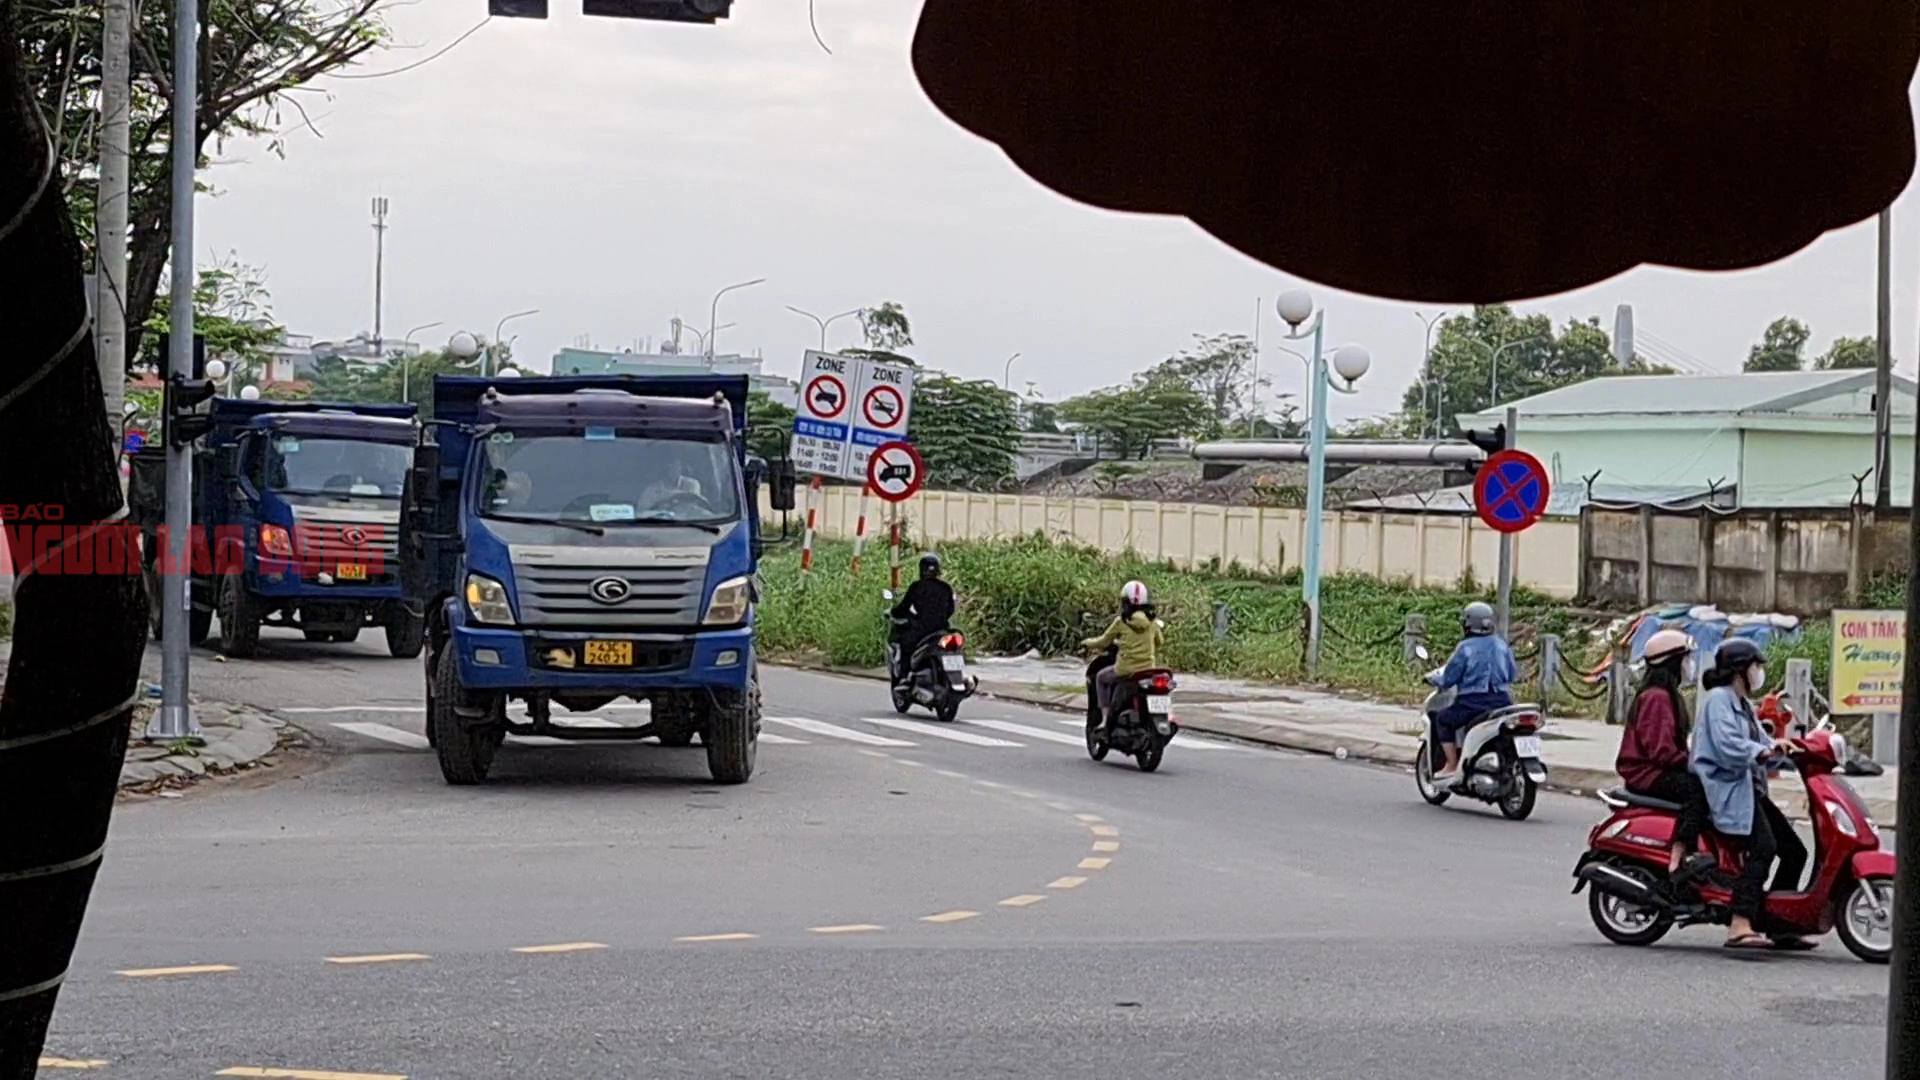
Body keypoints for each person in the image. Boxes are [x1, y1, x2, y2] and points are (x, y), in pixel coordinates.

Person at [1692, 637, 1811, 951]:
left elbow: (1762, 739)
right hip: (1728, 789)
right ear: (1739, 670)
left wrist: (1791, 748)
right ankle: (1740, 923)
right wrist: (1765, 750)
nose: (1759, 673)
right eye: (1756, 666)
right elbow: (1729, 746)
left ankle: (1777, 925)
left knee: (1795, 850)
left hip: (1749, 789)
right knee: (1764, 847)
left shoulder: (1742, 704)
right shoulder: (1719, 700)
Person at [1614, 628, 1713, 881]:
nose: (1689, 665)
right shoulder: (1657, 698)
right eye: (1686, 659)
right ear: (1672, 662)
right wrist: (1694, 762)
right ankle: (1680, 852)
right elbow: (1662, 751)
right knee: (1696, 789)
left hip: (1657, 769)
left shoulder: (1667, 696)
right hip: (1648, 773)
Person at [1426, 601, 1517, 781]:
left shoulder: (1465, 647)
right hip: (1503, 701)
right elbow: (1513, 674)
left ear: (1467, 624)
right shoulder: (1502, 645)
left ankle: (1451, 765)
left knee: (1443, 720)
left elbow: (1449, 678)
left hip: (1473, 703)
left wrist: (1433, 678)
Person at [1081, 580, 1165, 733]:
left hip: (1125, 670)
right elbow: (1160, 642)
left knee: (1100, 677)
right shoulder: (1152, 623)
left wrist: (1087, 643)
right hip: (1148, 670)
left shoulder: (1122, 621)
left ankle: (1105, 720)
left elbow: (1104, 641)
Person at [890, 553, 956, 680]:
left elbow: (904, 607)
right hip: (942, 630)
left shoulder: (917, 587)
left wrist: (895, 612)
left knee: (905, 647)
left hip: (922, 630)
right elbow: (950, 610)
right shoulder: (945, 588)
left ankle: (904, 678)